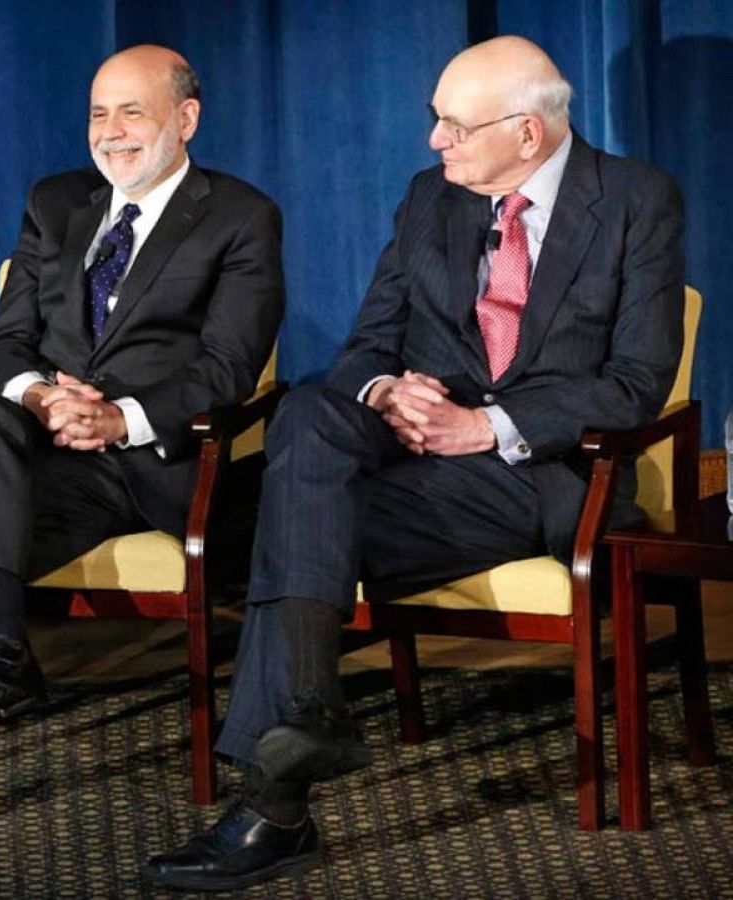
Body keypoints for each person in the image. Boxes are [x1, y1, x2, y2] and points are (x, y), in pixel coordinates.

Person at [143, 36, 684, 892]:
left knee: (286, 526)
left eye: (454, 126)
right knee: (310, 412)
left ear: (529, 136)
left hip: (537, 476)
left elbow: (636, 384)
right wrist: (388, 390)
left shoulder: (635, 201)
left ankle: (277, 803)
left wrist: (489, 425)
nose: (435, 141)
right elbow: (364, 347)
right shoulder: (430, 199)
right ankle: (311, 708)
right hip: (407, 456)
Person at [0, 44, 285, 840]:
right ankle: (4, 649)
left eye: (132, 113)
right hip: (45, 458)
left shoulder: (240, 218)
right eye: (97, 114)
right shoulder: (57, 202)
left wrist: (118, 417)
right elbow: (2, 351)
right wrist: (44, 397)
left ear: (185, 120)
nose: (111, 134)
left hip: (155, 467)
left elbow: (227, 369)